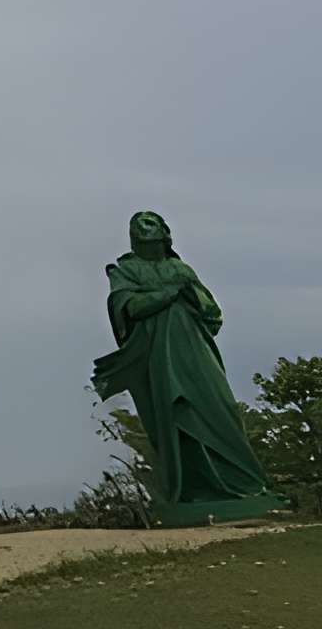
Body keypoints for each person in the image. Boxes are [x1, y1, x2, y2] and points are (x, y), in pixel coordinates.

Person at [91, 211, 290, 526]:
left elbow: (212, 314)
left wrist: (192, 296)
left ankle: (246, 486)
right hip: (160, 355)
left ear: (165, 237)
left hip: (196, 350)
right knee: (177, 416)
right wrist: (168, 294)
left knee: (221, 409)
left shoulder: (180, 268)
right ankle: (193, 493)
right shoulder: (125, 270)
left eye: (154, 232)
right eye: (141, 233)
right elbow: (130, 308)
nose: (148, 237)